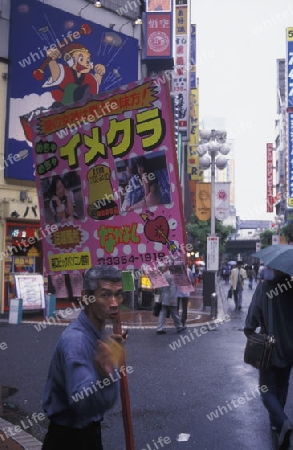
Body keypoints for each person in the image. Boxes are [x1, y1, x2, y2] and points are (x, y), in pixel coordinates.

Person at [41, 265, 125, 450]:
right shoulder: (76, 342)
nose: (114, 303)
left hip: (85, 433)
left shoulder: (94, 332)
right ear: (87, 297)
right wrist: (106, 374)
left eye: (118, 294)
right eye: (105, 295)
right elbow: (83, 401)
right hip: (70, 440)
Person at [244, 270, 293, 450]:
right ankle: (277, 425)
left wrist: (249, 329)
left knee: (266, 390)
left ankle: (283, 421)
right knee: (282, 384)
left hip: (270, 347)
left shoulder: (265, 286)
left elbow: (254, 313)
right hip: (290, 346)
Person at [157, 263, 186, 335]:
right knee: (174, 312)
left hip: (164, 297)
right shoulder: (172, 276)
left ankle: (159, 328)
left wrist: (162, 296)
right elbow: (173, 288)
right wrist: (172, 298)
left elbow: (161, 287)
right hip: (171, 298)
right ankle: (179, 326)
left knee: (163, 312)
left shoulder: (164, 275)